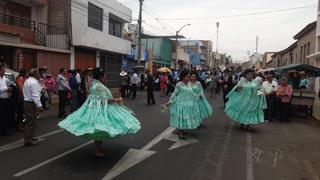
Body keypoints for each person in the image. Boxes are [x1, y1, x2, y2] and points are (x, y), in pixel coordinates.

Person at [58, 68, 141, 157]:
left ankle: (98, 149)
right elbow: (103, 100)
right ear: (101, 76)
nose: (105, 77)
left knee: (99, 131)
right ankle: (97, 151)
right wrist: (116, 100)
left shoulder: (95, 85)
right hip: (100, 111)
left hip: (96, 110)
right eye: (104, 75)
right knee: (99, 130)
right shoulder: (99, 86)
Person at [163, 70, 202, 139]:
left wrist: (198, 96)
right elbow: (174, 94)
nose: (189, 78)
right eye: (187, 77)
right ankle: (180, 132)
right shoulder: (179, 84)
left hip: (189, 104)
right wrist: (169, 102)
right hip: (181, 104)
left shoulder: (189, 84)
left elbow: (192, 93)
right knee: (181, 118)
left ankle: (183, 130)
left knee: (185, 118)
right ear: (183, 77)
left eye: (189, 77)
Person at [23, 68, 43, 146]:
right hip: (30, 103)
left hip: (27, 102)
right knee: (31, 121)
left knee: (31, 120)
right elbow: (35, 95)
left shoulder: (28, 80)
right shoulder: (33, 82)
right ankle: (28, 140)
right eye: (38, 73)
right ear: (35, 74)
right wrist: (39, 106)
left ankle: (30, 136)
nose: (39, 74)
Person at [0, 64, 13, 136]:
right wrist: (6, 89)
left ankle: (4, 130)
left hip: (6, 99)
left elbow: (9, 84)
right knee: (1, 116)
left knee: (5, 115)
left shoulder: (5, 78)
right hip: (0, 100)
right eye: (3, 70)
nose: (4, 71)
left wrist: (9, 90)